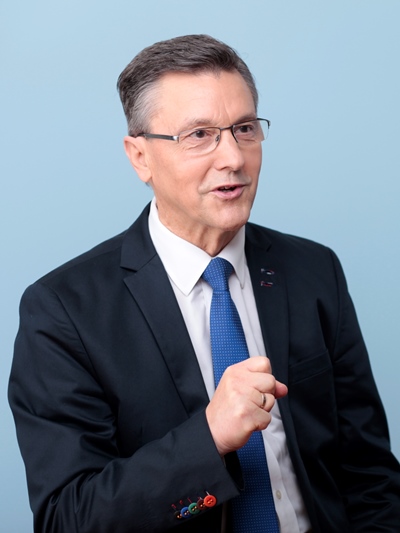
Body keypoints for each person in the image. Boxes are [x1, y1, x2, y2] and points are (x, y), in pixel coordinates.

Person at [9, 34, 400, 533]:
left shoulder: (313, 270)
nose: (233, 158)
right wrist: (208, 438)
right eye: (199, 135)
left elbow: (369, 476)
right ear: (140, 156)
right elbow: (69, 518)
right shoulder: (63, 311)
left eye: (244, 128)